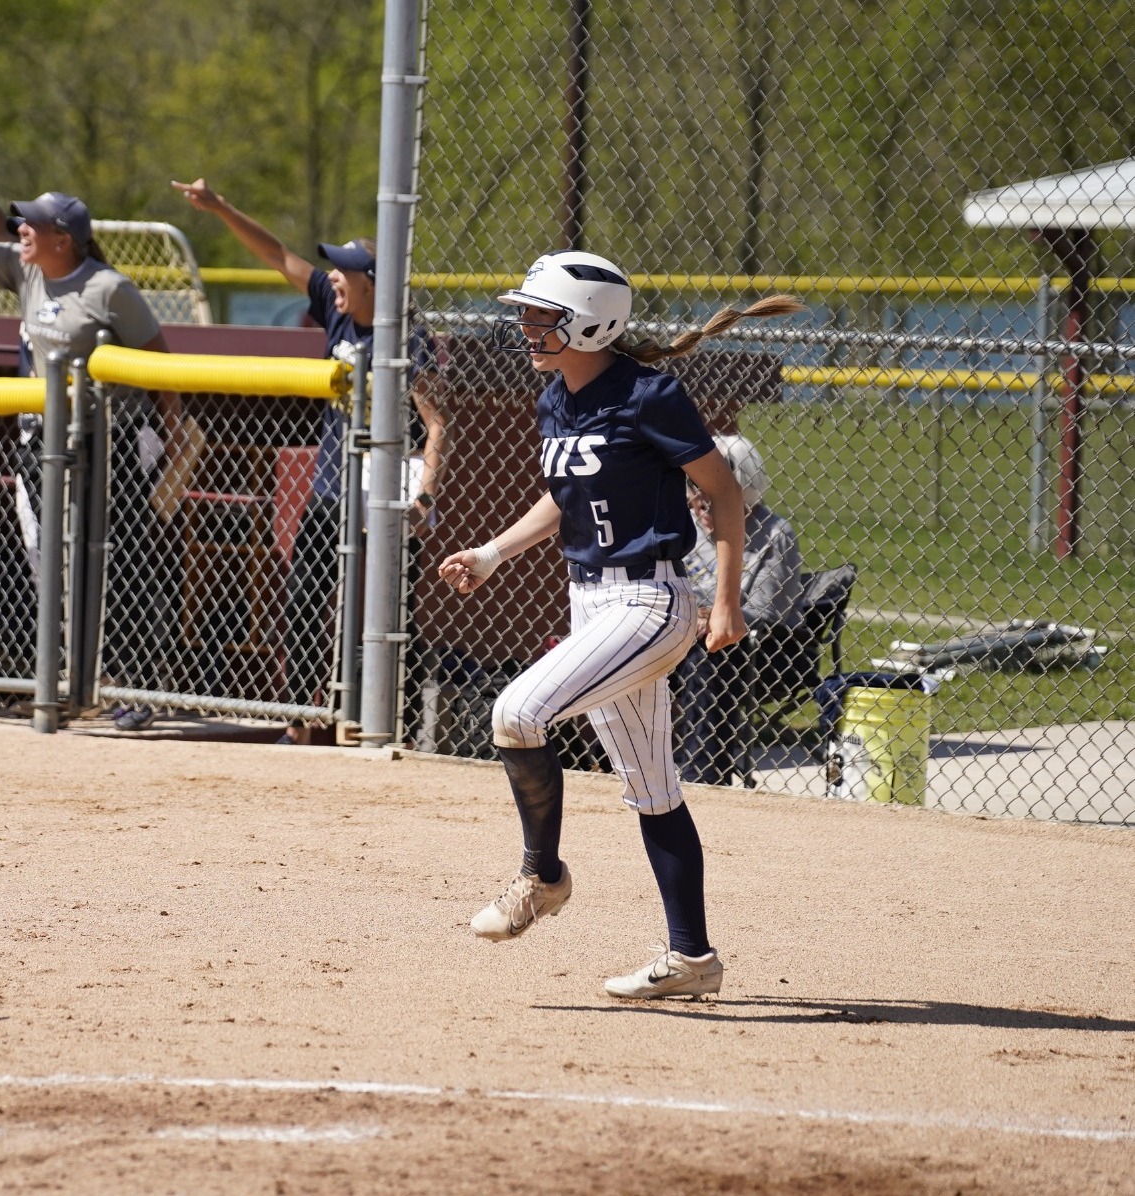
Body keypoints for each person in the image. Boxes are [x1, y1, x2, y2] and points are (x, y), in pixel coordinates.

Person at [437, 250, 802, 1000]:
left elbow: (724, 494)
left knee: (516, 712)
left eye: (542, 315)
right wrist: (491, 553)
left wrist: (726, 601)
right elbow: (563, 497)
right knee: (652, 788)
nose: (526, 326)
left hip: (650, 603)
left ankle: (542, 878)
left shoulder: (647, 394)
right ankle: (692, 960)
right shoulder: (555, 401)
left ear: (590, 324)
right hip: (591, 602)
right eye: (528, 312)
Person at [0, 131, 184, 731]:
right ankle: (71, 681)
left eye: (35, 225)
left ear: (66, 240)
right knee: (54, 560)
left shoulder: (107, 287)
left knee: (121, 561)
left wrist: (173, 437)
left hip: (108, 441)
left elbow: (161, 363)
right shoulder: (30, 270)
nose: (22, 232)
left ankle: (134, 683)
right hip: (41, 442)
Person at [172, 178, 446, 743]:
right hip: (331, 488)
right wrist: (221, 205)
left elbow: (437, 424)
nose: (334, 279)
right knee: (302, 604)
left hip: (387, 493)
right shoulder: (336, 309)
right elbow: (277, 255)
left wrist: (424, 496)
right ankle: (301, 720)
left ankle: (390, 728)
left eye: (347, 271)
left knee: (393, 617)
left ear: (376, 283)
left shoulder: (406, 338)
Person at [674, 434, 804, 786]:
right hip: (687, 634)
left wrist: (710, 617)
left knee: (714, 645)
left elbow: (766, 610)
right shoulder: (687, 528)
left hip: (762, 649)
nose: (701, 509)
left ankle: (702, 774)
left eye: (710, 501)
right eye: (696, 499)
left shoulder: (775, 533)